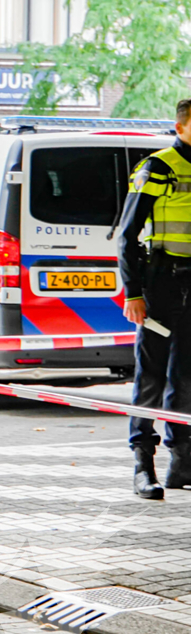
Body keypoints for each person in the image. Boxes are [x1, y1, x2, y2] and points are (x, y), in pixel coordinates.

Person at [118, 98, 191, 500]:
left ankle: (182, 462)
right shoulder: (158, 167)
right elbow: (128, 235)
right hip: (161, 282)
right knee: (151, 376)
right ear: (180, 127)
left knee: (186, 378)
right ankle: (142, 466)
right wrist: (133, 292)